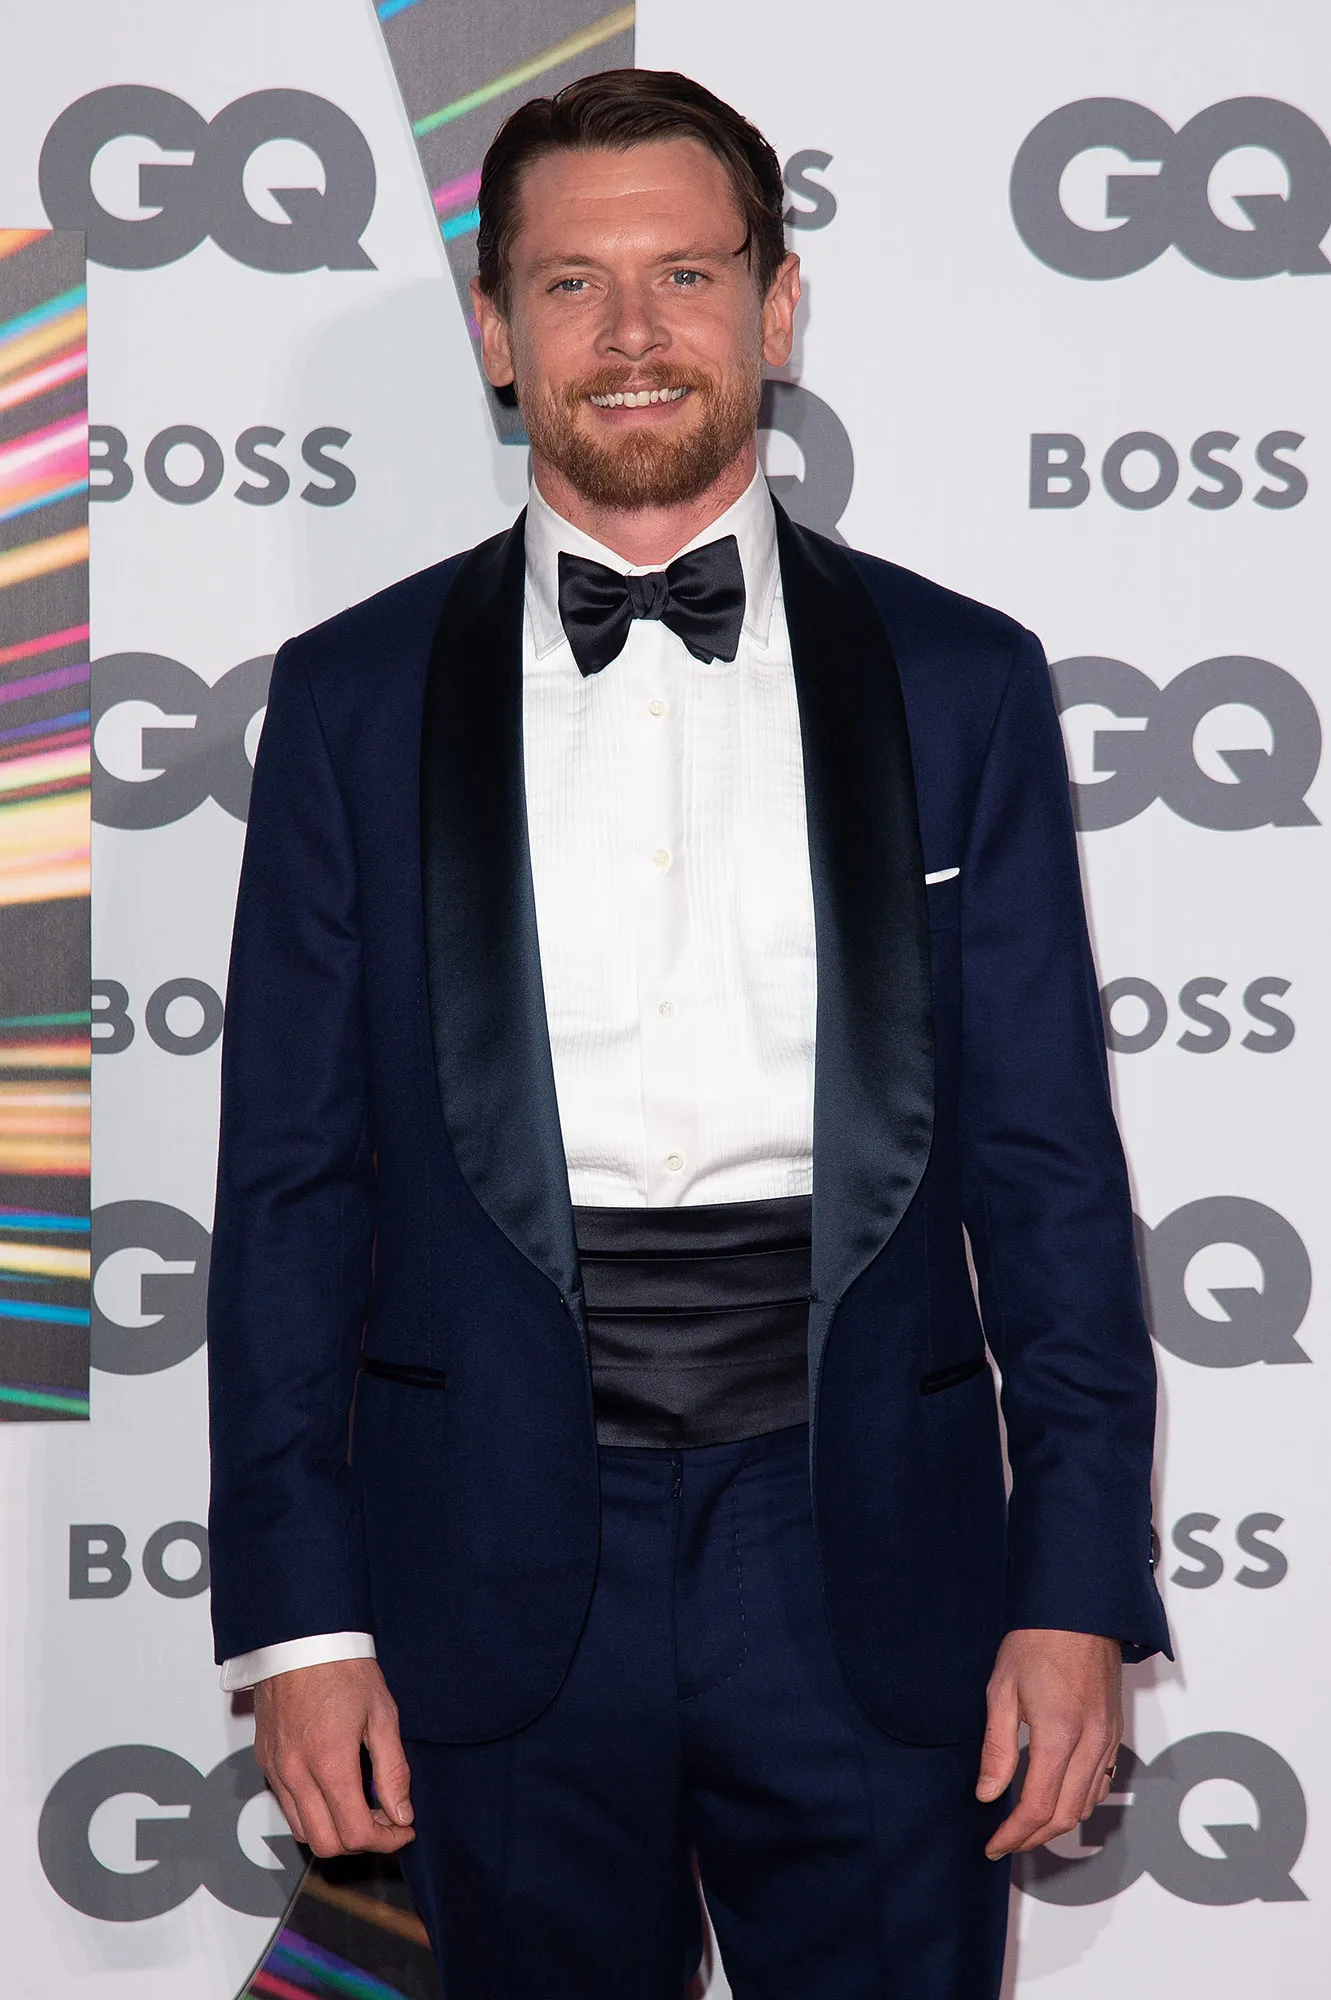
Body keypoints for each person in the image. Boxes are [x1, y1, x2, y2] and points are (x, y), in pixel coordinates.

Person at [207, 67, 1169, 2000]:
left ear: (774, 306)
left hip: (868, 1552)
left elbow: (1050, 1177)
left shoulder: (962, 681)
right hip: (486, 1562)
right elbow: (292, 1194)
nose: (632, 334)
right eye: (571, 285)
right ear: (496, 333)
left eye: (687, 277)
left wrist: (1074, 1589)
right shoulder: (348, 699)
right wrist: (301, 1628)